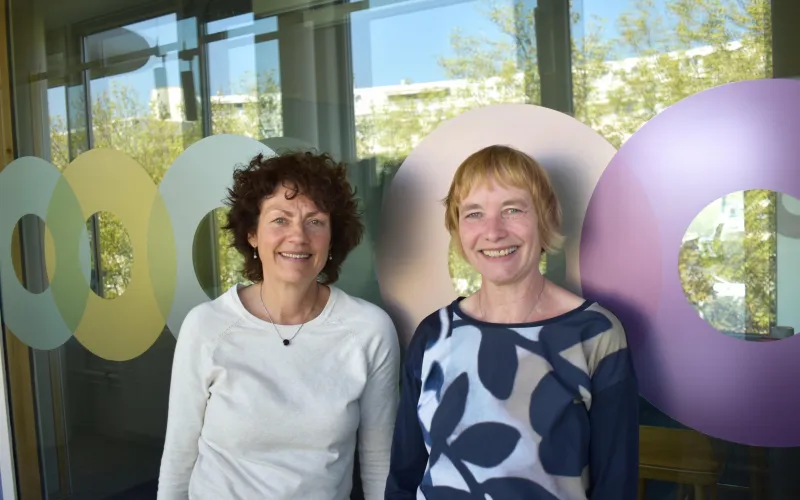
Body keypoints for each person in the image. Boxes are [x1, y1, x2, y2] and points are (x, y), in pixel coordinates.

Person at [385, 145, 638, 499]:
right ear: (457, 229)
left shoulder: (595, 334)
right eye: (474, 214)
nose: (493, 231)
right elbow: (403, 476)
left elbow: (616, 485)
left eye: (512, 209)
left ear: (545, 217)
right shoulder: (434, 334)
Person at [157, 151, 401, 500]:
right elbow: (179, 458)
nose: (298, 236)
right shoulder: (207, 326)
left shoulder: (369, 330)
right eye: (280, 220)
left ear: (332, 236)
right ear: (252, 234)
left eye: (315, 221)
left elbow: (379, 461)